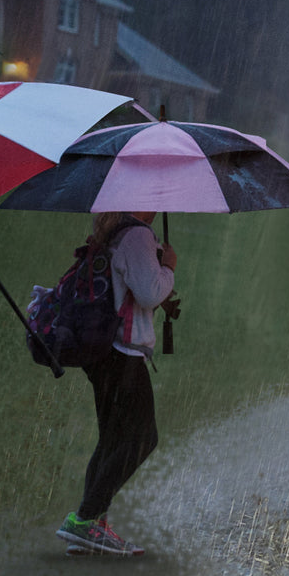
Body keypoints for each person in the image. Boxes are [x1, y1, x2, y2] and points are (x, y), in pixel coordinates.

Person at [56, 210, 176, 557]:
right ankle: (85, 519)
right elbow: (150, 292)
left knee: (113, 439)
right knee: (142, 438)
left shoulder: (112, 231)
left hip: (102, 352)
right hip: (123, 352)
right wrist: (168, 266)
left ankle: (91, 527)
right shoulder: (137, 235)